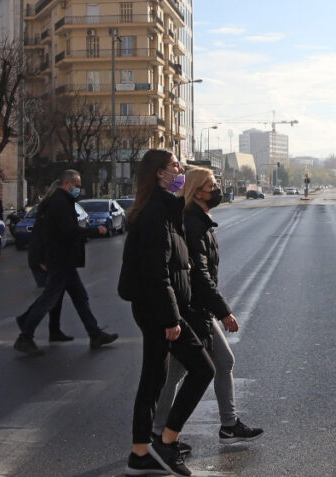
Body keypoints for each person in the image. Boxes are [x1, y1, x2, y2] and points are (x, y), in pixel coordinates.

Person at [150, 167, 263, 450]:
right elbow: (199, 274)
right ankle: (160, 432)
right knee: (183, 370)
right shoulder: (193, 222)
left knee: (217, 363)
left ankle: (227, 425)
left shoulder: (200, 220)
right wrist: (223, 310)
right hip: (190, 309)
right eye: (212, 184)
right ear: (197, 190)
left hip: (197, 308)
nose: (217, 189)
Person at [118, 150, 215, 477]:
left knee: (153, 379)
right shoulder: (156, 214)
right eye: (175, 165)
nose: (180, 170)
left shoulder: (164, 209)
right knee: (203, 369)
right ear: (159, 174)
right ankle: (166, 441)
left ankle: (140, 453)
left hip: (157, 308)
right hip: (159, 310)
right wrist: (173, 319)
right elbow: (157, 272)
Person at [13, 169, 118, 357]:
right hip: (60, 260)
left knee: (79, 297)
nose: (78, 189)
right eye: (76, 185)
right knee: (49, 299)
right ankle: (25, 335)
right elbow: (67, 231)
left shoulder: (60, 201)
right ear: (67, 183)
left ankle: (93, 334)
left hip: (64, 260)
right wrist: (94, 231)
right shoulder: (59, 203)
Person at [19, 180, 71, 341]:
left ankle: (54, 330)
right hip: (52, 260)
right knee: (49, 297)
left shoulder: (52, 205)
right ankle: (25, 332)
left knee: (59, 296)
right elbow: (44, 236)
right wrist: (42, 258)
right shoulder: (53, 207)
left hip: (60, 259)